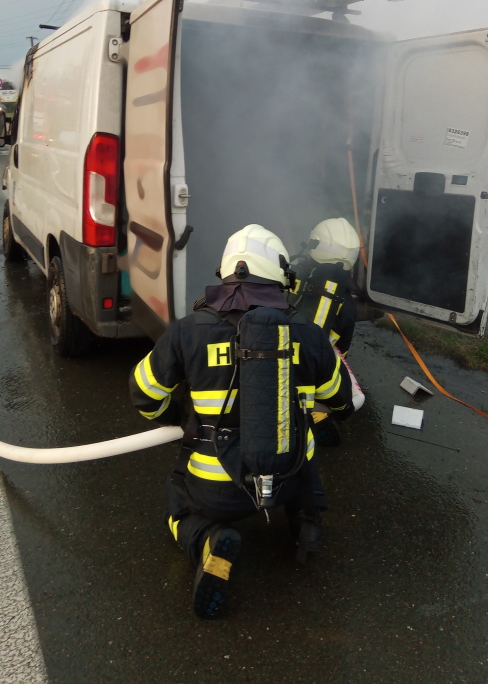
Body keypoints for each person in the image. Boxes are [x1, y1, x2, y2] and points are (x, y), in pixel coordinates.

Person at [129, 224, 354, 620]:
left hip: (217, 490)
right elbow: (341, 400)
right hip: (291, 478)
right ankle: (306, 520)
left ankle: (209, 538)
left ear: (227, 272)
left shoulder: (187, 332)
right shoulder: (308, 332)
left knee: (178, 501)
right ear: (279, 275)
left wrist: (179, 420)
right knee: (305, 440)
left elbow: (144, 394)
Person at [288, 217, 362, 446]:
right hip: (314, 372)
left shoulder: (293, 275)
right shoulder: (348, 305)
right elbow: (341, 352)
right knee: (330, 375)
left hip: (269, 355)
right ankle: (315, 413)